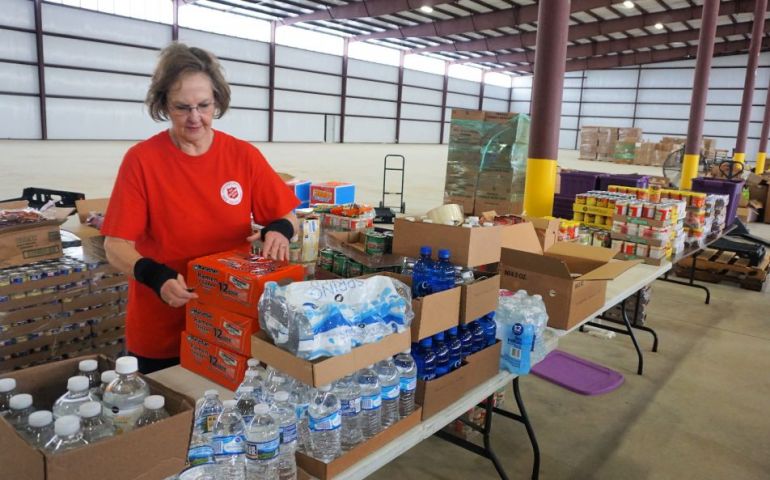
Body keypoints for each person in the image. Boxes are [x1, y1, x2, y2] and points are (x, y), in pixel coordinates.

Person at [102, 43, 299, 374]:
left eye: (204, 106)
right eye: (182, 108)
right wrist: (156, 276)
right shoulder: (142, 161)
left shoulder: (242, 156)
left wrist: (278, 231)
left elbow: (287, 215)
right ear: (164, 105)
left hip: (228, 326)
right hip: (162, 325)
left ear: (217, 102)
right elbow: (115, 245)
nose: (195, 118)